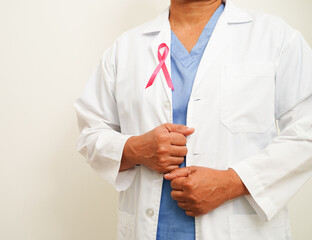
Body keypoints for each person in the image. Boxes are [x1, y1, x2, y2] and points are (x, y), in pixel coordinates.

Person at [74, 0, 312, 239]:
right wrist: (136, 149)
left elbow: (307, 131)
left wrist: (233, 182)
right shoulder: (126, 48)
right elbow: (91, 133)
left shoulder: (275, 38)